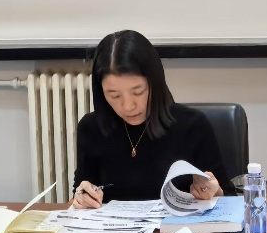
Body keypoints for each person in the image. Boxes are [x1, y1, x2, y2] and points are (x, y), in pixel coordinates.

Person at [69, 30, 236, 209]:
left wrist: (213, 192)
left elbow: (230, 199)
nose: (128, 106)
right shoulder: (91, 128)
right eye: (114, 95)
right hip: (113, 227)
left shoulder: (193, 126)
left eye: (138, 92)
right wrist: (81, 197)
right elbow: (79, 196)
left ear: (155, 83)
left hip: (178, 226)